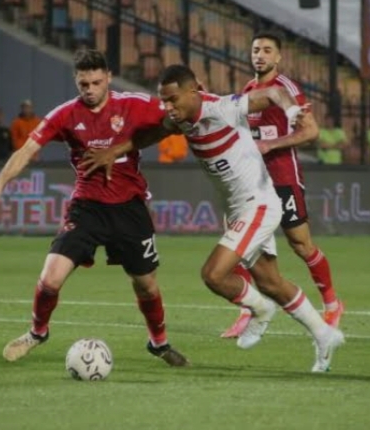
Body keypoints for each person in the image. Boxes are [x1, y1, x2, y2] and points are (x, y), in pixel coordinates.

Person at [83, 65, 344, 372]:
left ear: (193, 91)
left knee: (214, 275)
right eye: (164, 100)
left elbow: (274, 93)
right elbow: (154, 133)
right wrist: (114, 151)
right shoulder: (179, 118)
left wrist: (290, 111)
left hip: (258, 205)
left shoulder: (222, 108)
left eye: (173, 99)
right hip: (236, 209)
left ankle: (261, 310)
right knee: (271, 282)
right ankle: (325, 335)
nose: (168, 107)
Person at [0, 48, 188, 367]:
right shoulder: (65, 115)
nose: (89, 90)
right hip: (87, 208)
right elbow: (27, 150)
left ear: (109, 78)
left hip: (129, 208)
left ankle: (159, 343)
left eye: (96, 82)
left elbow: (174, 119)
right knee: (50, 278)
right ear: (76, 81)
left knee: (146, 285)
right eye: (83, 84)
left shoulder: (135, 105)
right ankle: (37, 332)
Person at [221, 32, 344, 339]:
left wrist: (271, 144)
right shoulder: (248, 90)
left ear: (278, 57)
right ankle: (248, 310)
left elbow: (311, 131)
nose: (260, 55)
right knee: (239, 244)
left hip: (283, 177)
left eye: (267, 50)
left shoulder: (286, 88)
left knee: (301, 244)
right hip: (252, 181)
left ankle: (332, 304)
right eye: (256, 50)